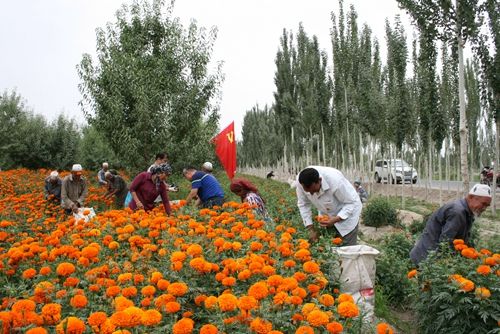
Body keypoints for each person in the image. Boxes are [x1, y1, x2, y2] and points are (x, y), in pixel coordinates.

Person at [409, 184, 492, 265]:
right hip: (426, 260)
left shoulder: (467, 212)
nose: (484, 208)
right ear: (471, 197)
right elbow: (445, 241)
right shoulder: (457, 212)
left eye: (487, 206)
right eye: (483, 204)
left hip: (429, 258)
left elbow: (461, 240)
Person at [296, 166, 362, 246]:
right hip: (327, 215)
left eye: (314, 190)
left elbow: (350, 203)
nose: (312, 194)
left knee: (347, 249)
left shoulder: (335, 181)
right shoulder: (301, 181)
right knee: (330, 246)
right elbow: (303, 205)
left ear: (319, 180)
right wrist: (311, 229)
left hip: (348, 212)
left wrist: (336, 219)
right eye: (308, 192)